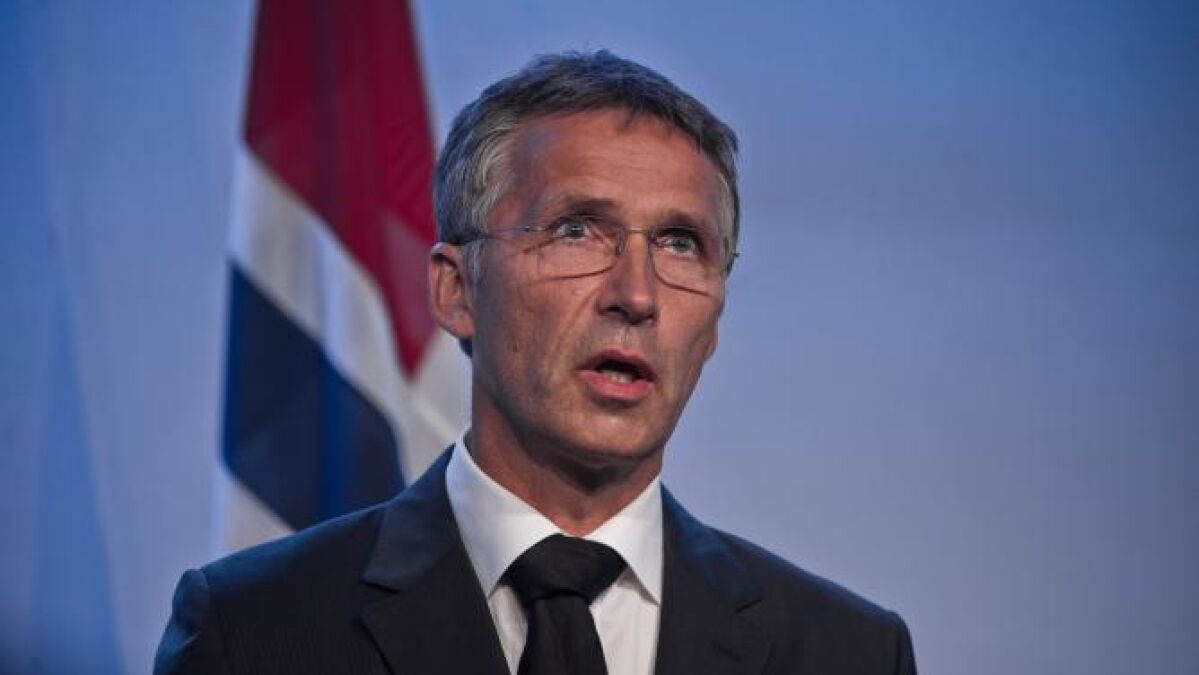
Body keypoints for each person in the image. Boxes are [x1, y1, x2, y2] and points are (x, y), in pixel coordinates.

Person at [156, 50, 916, 675]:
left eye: (680, 243)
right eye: (577, 230)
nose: (637, 294)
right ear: (456, 291)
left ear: (713, 319)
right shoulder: (252, 632)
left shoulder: (847, 654)